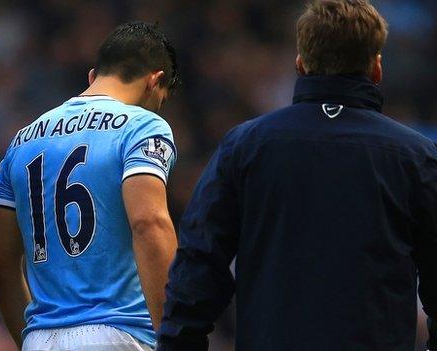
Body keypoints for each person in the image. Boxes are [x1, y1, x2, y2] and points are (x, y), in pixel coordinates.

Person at [157, 1, 437, 350]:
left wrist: (179, 343)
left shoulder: (246, 147)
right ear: (376, 68)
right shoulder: (415, 157)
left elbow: (199, 261)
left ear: (300, 64)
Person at [0, 21, 179, 351]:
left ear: (93, 76)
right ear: (155, 81)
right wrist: (176, 337)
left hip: (40, 338)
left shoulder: (21, 141)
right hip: (119, 332)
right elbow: (149, 224)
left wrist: (31, 337)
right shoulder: (143, 127)